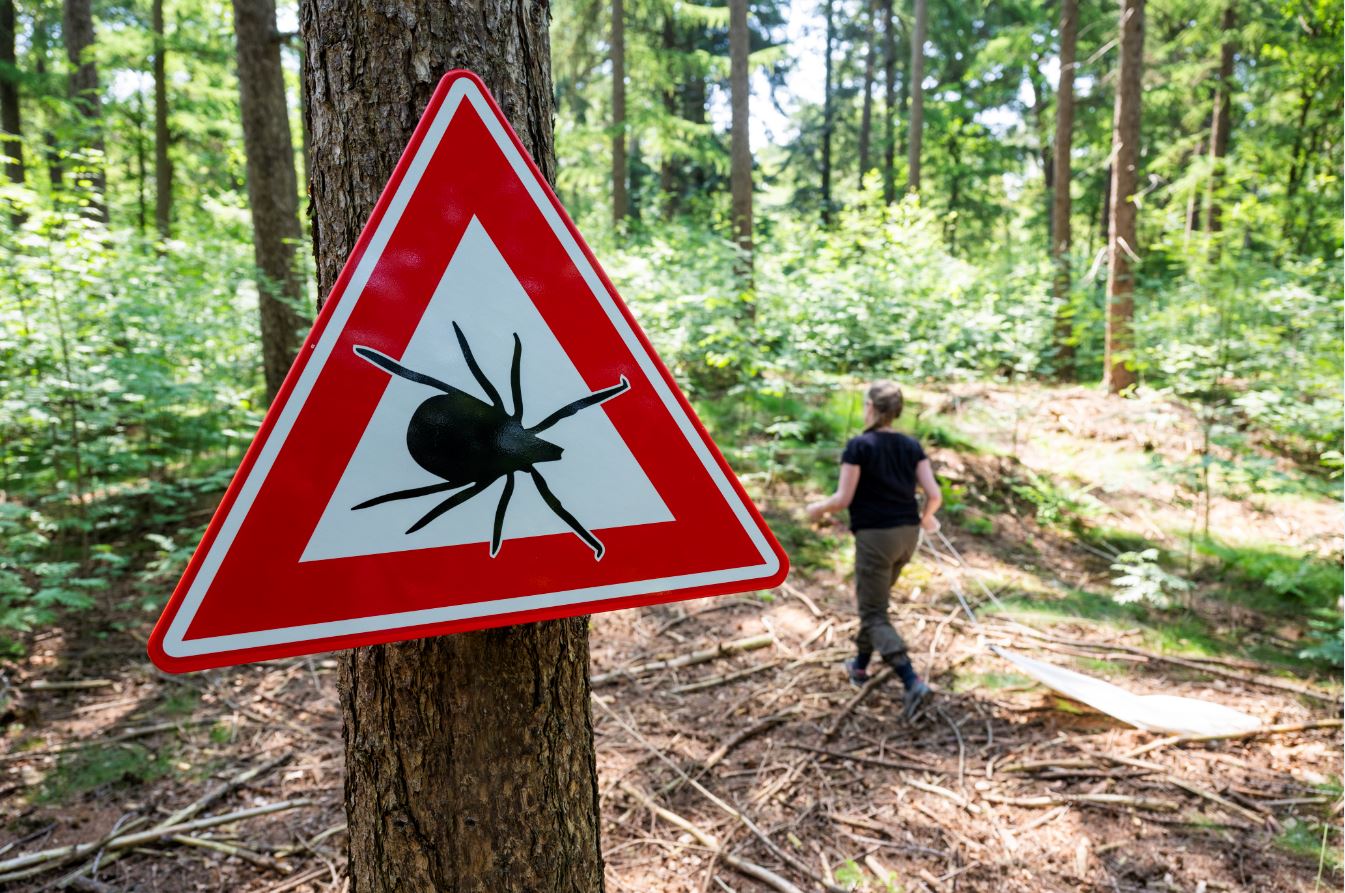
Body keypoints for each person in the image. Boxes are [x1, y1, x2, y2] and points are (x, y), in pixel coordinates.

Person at [806, 381, 942, 719]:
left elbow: (842, 499)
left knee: (873, 612)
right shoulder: (911, 446)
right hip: (908, 536)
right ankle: (860, 666)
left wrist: (816, 509)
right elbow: (934, 494)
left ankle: (911, 680)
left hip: (875, 538)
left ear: (870, 406)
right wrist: (926, 519)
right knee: (875, 603)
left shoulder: (859, 446)